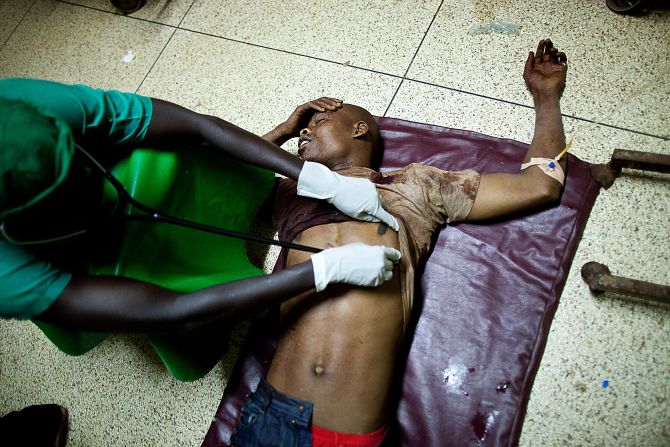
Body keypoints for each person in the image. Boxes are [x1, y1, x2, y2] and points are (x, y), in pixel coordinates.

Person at [231, 39, 569, 446]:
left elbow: (540, 184)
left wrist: (546, 97)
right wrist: (284, 130)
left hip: (346, 433)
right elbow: (227, 174)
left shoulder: (415, 184)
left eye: (316, 123)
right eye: (303, 127)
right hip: (267, 418)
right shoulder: (292, 193)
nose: (305, 129)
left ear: (360, 129)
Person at [0, 79, 401, 338]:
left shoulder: (33, 106)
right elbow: (171, 310)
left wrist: (319, 179)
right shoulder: (8, 276)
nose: (304, 132)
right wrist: (326, 269)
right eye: (73, 192)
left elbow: (199, 127)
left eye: (83, 168)